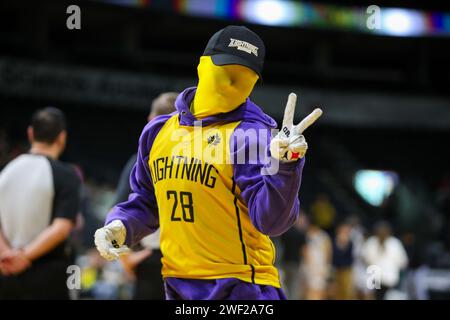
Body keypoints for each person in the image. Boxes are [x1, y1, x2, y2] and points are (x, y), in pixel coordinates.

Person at [95, 25, 322, 300]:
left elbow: (271, 222)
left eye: (247, 76)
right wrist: (122, 225)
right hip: (177, 284)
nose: (234, 82)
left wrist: (286, 166)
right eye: (227, 68)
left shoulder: (251, 134)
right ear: (203, 65)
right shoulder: (157, 132)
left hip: (240, 287)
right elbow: (146, 202)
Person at [0, 107, 81, 299]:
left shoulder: (5, 171)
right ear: (62, 137)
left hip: (5, 270)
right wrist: (24, 256)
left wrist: (7, 254)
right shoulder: (67, 175)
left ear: (30, 133)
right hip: (47, 276)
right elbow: (62, 227)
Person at [116, 92, 177, 300]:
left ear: (151, 121)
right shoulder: (197, 159)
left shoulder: (140, 161)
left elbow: (118, 211)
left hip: (153, 260)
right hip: (189, 258)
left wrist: (125, 259)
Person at [362, 221, 408, 300]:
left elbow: (365, 259)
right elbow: (403, 262)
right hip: (384, 280)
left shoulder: (373, 241)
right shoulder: (394, 243)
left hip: (377, 279)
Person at [301, 213, 332, 300]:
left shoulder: (323, 236)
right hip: (309, 267)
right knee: (308, 290)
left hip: (320, 267)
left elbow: (328, 251)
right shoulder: (306, 235)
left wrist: (326, 267)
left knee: (320, 290)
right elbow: (304, 251)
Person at [331, 221, 354, 299]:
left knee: (346, 291)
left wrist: (345, 244)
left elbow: (350, 257)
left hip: (346, 270)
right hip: (335, 269)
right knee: (334, 291)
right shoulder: (334, 241)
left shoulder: (350, 243)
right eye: (343, 230)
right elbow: (334, 255)